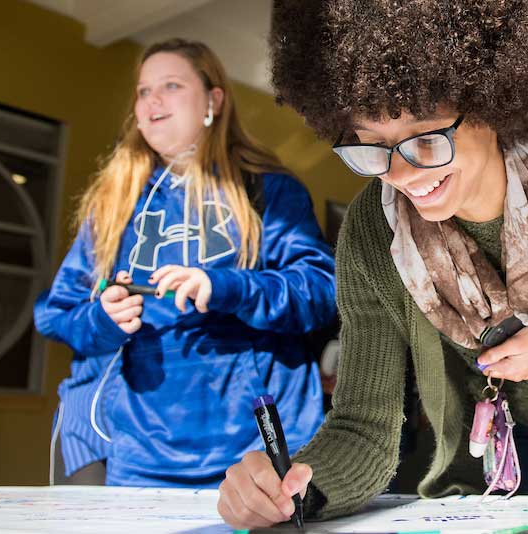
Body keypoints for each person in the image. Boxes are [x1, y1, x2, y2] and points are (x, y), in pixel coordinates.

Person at [216, 1, 528, 529]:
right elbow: (362, 425)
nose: (402, 172)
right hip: (512, 471)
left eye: (426, 138)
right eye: (371, 146)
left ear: (488, 100)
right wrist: (296, 486)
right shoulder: (374, 236)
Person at [34, 38, 336, 488]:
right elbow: (57, 314)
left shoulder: (267, 191)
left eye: (171, 85)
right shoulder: (112, 205)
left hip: (257, 451)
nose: (152, 99)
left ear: (213, 99)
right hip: (137, 455)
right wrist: (105, 317)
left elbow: (321, 291)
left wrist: (228, 287)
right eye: (143, 90)